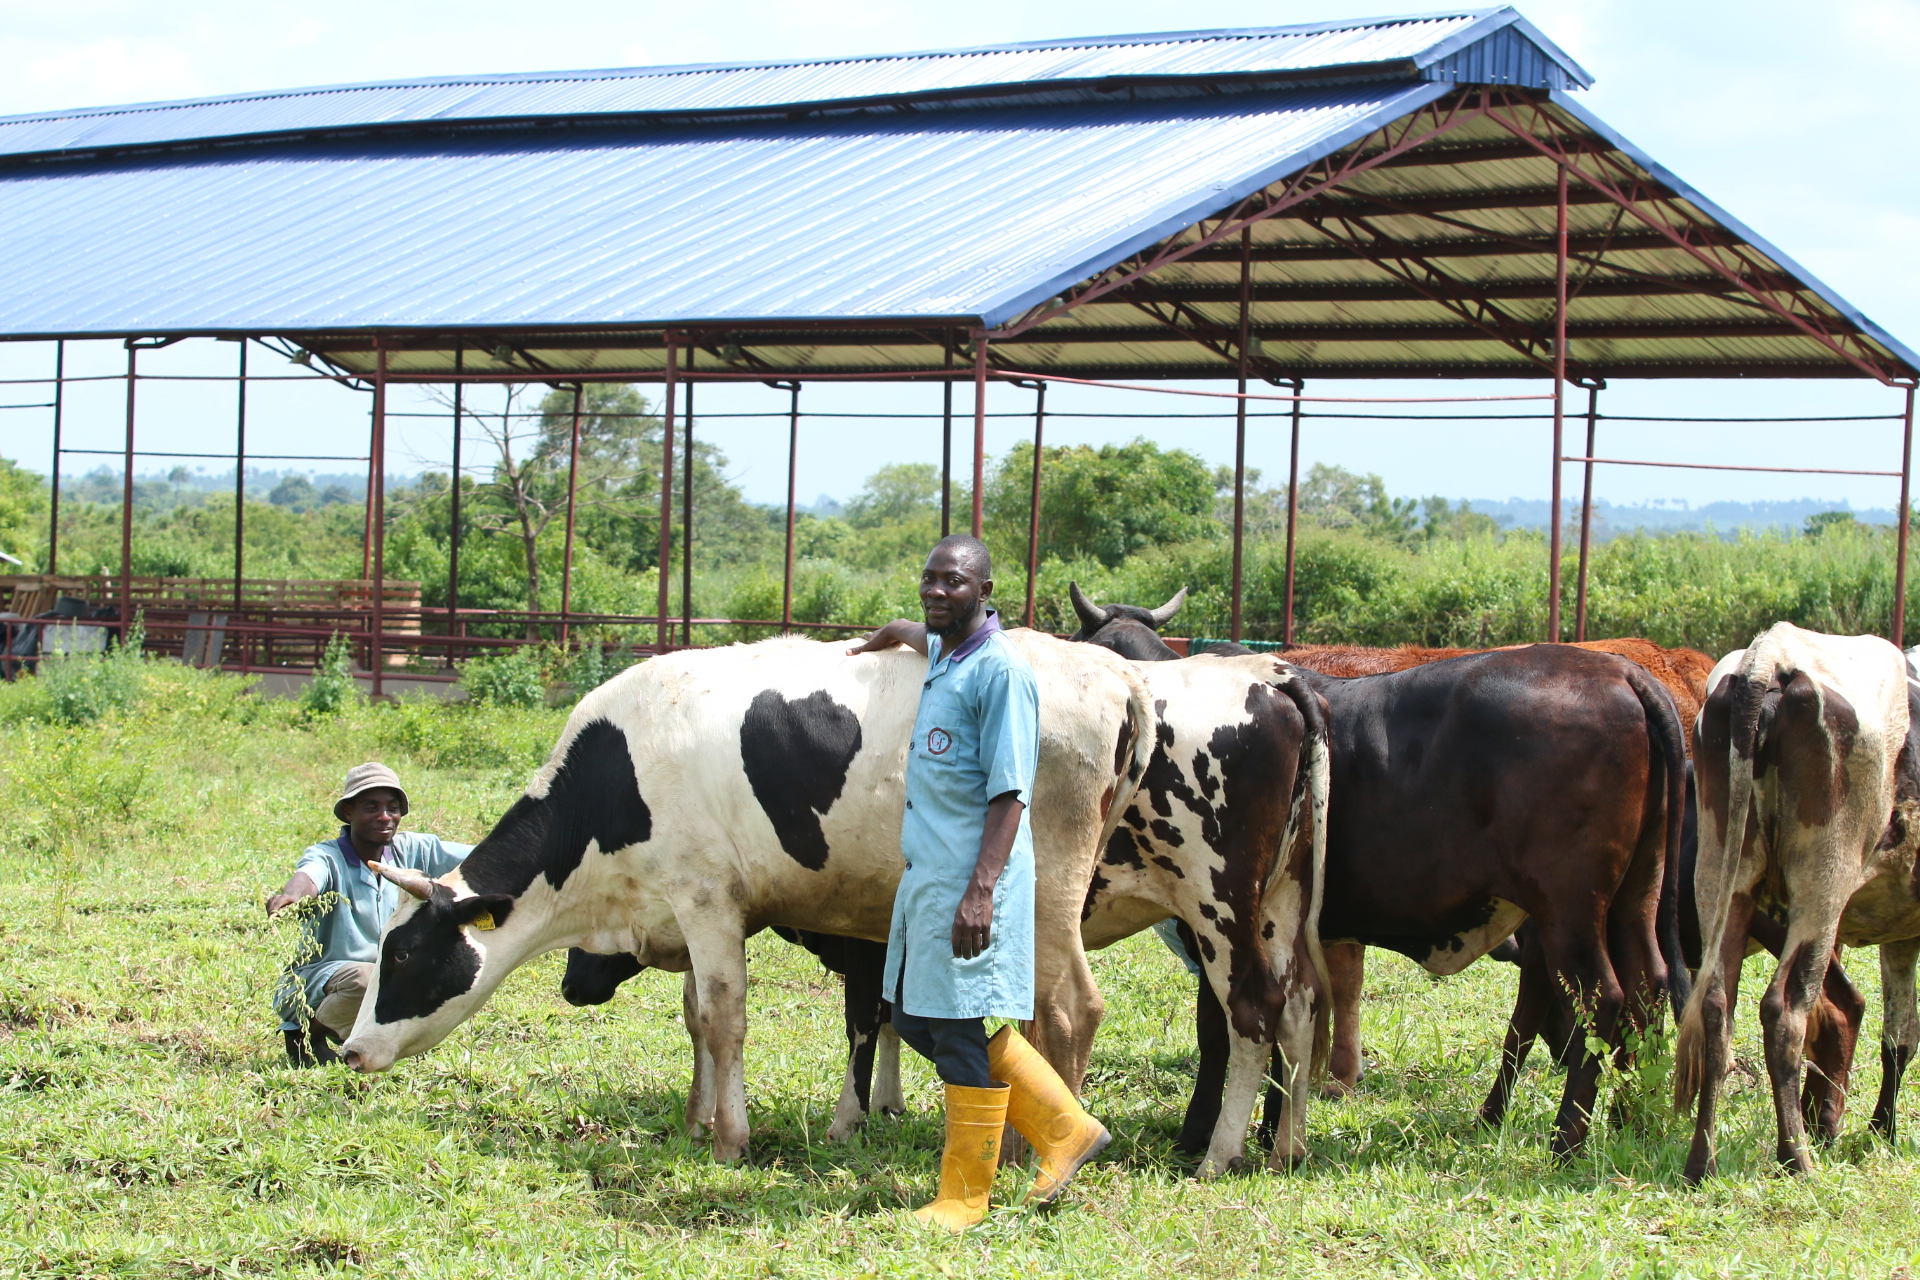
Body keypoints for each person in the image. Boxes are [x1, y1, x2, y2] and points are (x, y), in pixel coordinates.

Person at [850, 534, 1109, 1231]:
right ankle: (1065, 1127)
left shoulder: (1001, 673)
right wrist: (884, 634)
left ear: (985, 592)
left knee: (956, 1025)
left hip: (969, 880)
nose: (936, 591)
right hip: (929, 878)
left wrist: (981, 891)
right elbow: (915, 629)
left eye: (954, 582)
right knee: (913, 1016)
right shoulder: (945, 651)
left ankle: (966, 1194)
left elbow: (1011, 792)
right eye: (929, 578)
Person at [266, 762, 472, 1066]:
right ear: (349, 812)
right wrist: (292, 897)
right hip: (323, 977)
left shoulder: (414, 849)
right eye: (371, 807)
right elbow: (309, 876)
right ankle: (307, 1033)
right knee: (364, 979)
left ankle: (369, 1038)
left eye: (392, 808)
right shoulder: (328, 856)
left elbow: (483, 855)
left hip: (387, 975)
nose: (384, 817)